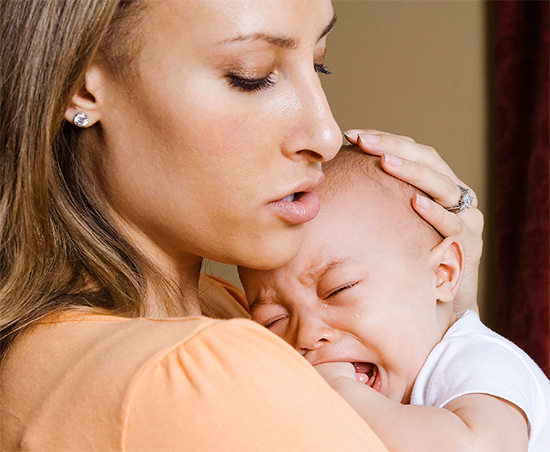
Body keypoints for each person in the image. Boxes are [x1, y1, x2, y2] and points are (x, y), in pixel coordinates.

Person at [0, 1, 484, 450]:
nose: (326, 134)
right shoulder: (199, 373)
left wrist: (447, 317)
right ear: (82, 86)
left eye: (319, 64)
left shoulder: (219, 308)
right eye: (250, 76)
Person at [240, 146, 550, 452]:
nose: (306, 334)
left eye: (339, 289)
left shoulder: (478, 362)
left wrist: (341, 391)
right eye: (273, 320)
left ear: (442, 273)